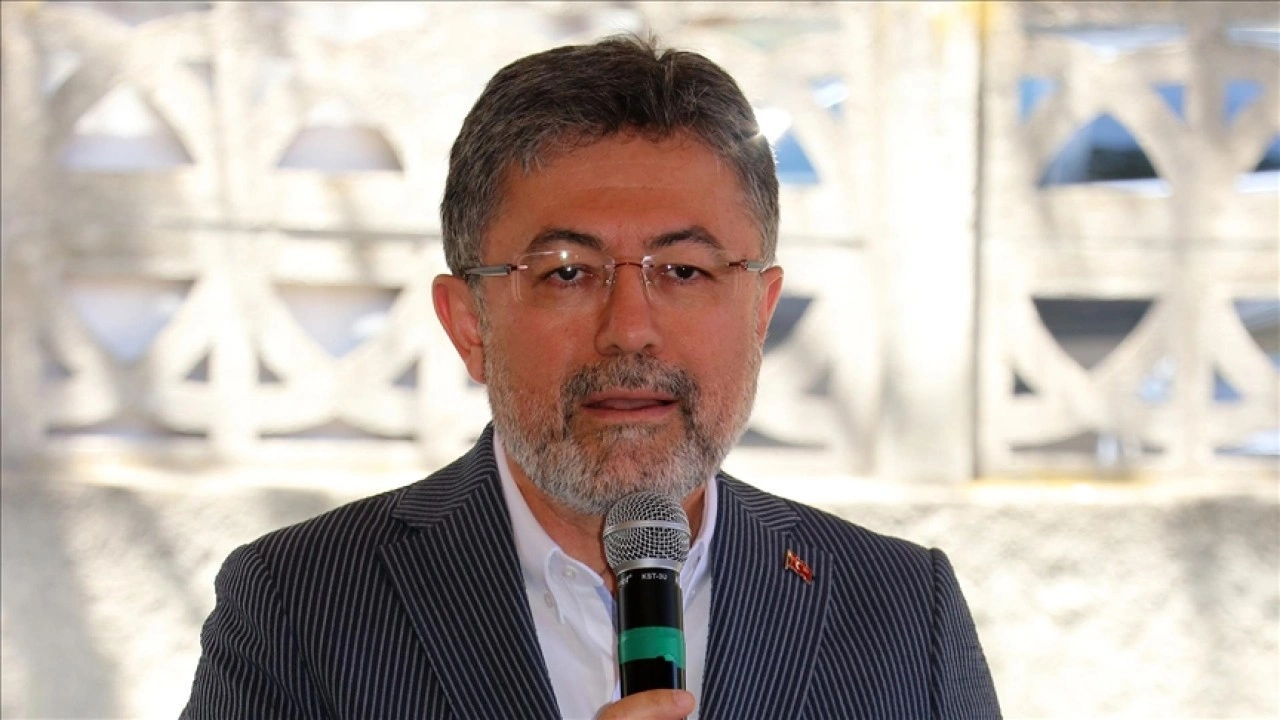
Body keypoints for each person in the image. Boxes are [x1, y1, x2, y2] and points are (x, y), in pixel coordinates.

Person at [183, 35, 1000, 719]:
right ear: (469, 324)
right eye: (568, 272)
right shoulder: (300, 606)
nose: (630, 328)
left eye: (684, 270)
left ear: (760, 311)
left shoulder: (902, 610)